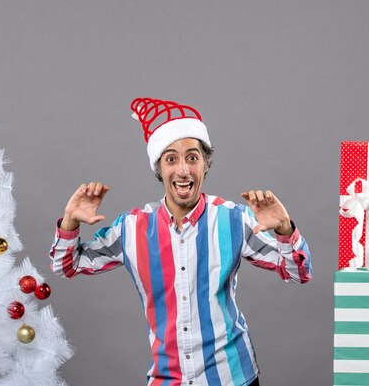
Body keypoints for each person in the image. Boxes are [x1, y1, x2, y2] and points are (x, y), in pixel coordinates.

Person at [50, 98, 312, 386]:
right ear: (159, 169)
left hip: (233, 378)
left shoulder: (234, 219)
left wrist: (285, 229)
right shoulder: (132, 228)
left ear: (205, 164)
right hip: (168, 379)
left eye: (192, 157)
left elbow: (299, 273)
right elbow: (66, 265)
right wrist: (70, 220)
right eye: (171, 159)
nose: (183, 170)